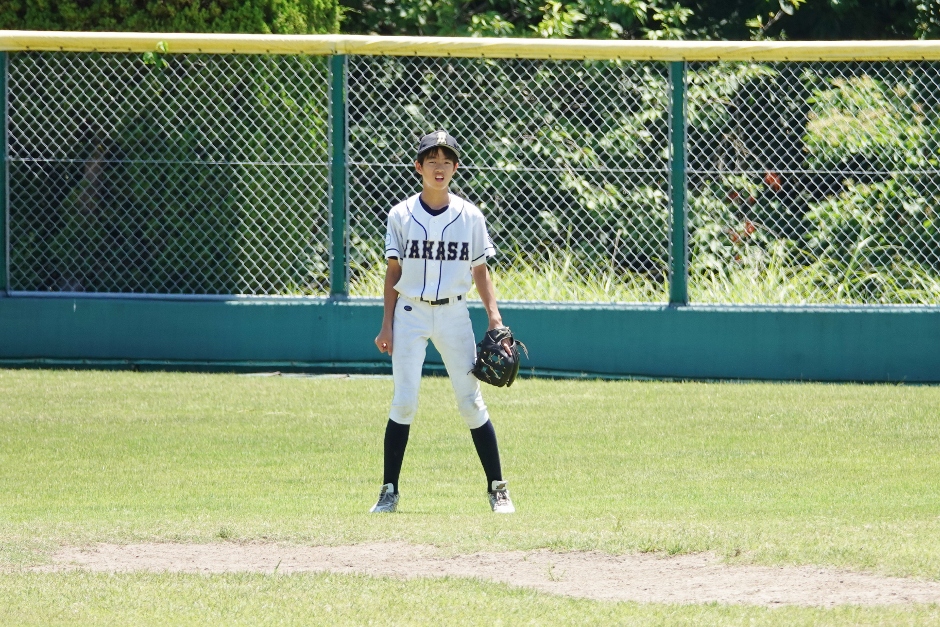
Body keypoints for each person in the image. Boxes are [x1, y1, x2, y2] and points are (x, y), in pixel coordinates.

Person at [371, 130, 515, 514]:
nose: (439, 167)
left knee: (470, 401)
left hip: (454, 313)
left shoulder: (470, 216)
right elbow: (393, 272)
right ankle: (388, 492)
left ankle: (498, 489)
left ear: (455, 168)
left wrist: (494, 318)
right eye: (432, 160)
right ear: (418, 167)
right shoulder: (400, 215)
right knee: (404, 402)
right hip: (410, 313)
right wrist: (386, 324)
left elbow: (480, 271)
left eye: (446, 161)